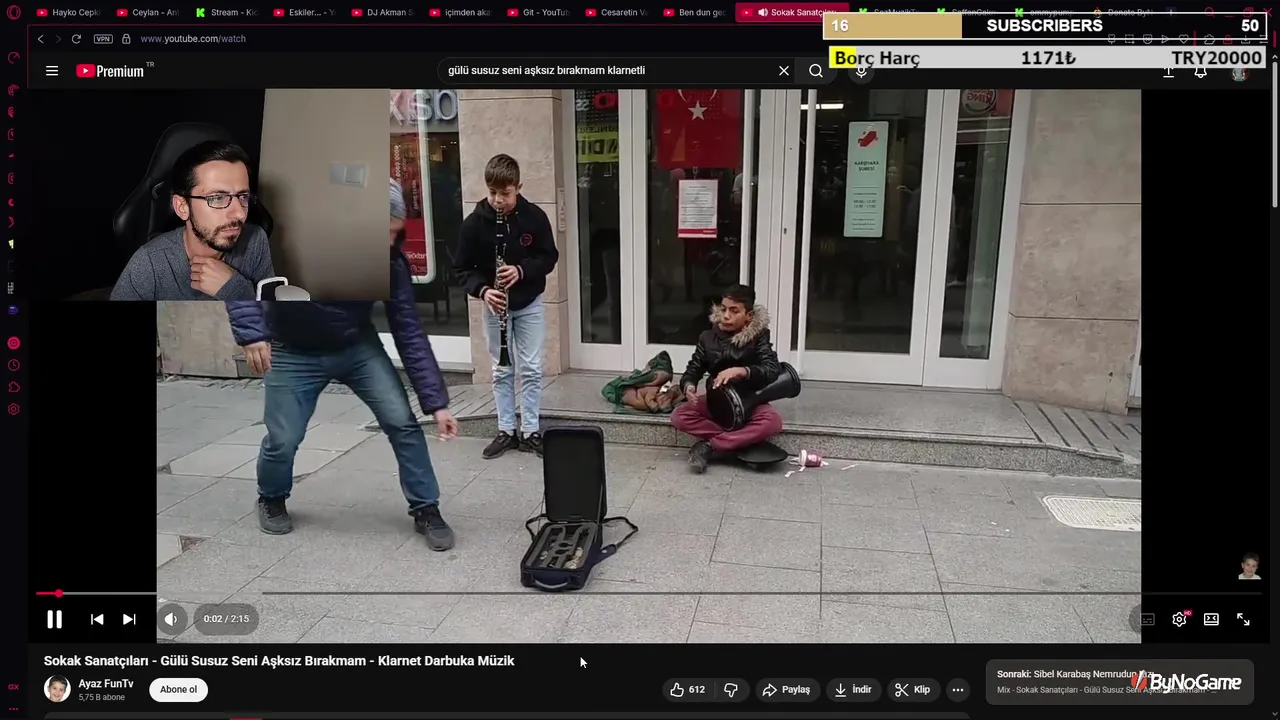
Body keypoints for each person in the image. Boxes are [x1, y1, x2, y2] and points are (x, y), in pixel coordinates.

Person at [223, 180, 458, 550]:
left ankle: (426, 508)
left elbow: (407, 328)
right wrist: (252, 332)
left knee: (402, 421)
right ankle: (271, 497)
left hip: (355, 345)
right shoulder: (296, 238)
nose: (389, 243)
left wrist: (437, 402)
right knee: (283, 439)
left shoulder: (389, 260)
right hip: (293, 348)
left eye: (395, 234)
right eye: (383, 233)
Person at [454, 154, 559, 459]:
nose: (498, 200)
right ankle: (506, 430)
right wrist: (484, 290)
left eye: (505, 193)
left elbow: (548, 257)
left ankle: (530, 430)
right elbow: (462, 268)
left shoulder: (534, 217)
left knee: (531, 368)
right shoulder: (474, 224)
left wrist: (521, 271)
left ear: (518, 187)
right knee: (501, 370)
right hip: (495, 305)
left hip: (529, 302)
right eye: (493, 193)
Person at [111, 140, 275, 301]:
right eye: (217, 198)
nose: (239, 214)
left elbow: (274, 315)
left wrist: (234, 289)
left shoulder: (255, 240)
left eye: (243, 196)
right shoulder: (150, 263)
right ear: (182, 207)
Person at [671, 284, 783, 473]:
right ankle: (741, 442)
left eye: (734, 311)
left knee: (773, 422)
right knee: (679, 416)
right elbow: (694, 368)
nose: (726, 316)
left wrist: (743, 371)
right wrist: (689, 385)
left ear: (748, 316)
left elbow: (772, 369)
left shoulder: (759, 336)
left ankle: (711, 446)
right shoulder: (707, 337)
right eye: (723, 309)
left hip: (749, 401)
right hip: (717, 401)